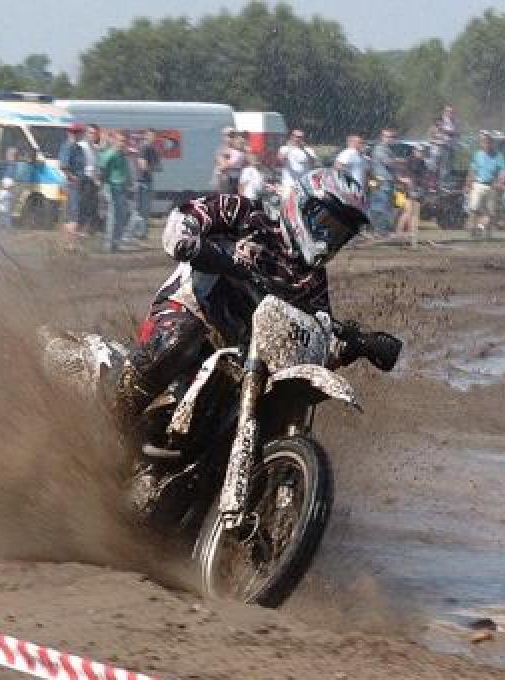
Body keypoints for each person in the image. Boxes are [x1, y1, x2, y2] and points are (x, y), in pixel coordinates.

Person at [114, 168, 397, 458]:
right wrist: (201, 248)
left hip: (243, 354)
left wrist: (359, 346)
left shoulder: (311, 281)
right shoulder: (245, 214)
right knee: (182, 337)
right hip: (190, 311)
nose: (329, 240)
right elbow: (183, 220)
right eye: (326, 225)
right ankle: (115, 416)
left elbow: (315, 340)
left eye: (340, 235)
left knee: (275, 404)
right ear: (302, 206)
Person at [466, 132, 505, 237]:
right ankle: (472, 230)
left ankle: (483, 230)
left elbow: (503, 172)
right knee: (474, 209)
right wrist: (468, 184)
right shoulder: (478, 154)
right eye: (484, 143)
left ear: (492, 143)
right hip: (478, 184)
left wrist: (500, 183)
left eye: (489, 143)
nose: (486, 145)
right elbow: (473, 170)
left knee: (491, 212)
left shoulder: (499, 156)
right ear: (482, 144)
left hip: (491, 186)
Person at [98, 130, 132, 253]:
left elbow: (124, 170)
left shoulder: (121, 155)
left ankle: (116, 243)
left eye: (124, 141)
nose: (122, 143)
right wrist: (103, 187)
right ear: (114, 141)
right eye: (120, 140)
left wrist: (129, 182)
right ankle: (108, 245)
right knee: (113, 216)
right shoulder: (110, 154)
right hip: (112, 188)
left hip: (121, 189)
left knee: (122, 216)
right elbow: (101, 170)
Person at [58, 123, 87, 245]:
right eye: (73, 132)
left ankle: (67, 243)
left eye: (77, 132)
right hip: (72, 185)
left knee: (73, 215)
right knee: (73, 215)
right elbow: (63, 166)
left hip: (78, 184)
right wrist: (73, 177)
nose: (74, 134)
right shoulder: (68, 147)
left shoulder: (79, 148)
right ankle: (70, 244)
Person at [369, 128, 400, 234]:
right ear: (382, 137)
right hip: (380, 181)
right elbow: (389, 163)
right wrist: (400, 162)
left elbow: (392, 164)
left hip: (385, 181)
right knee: (380, 205)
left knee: (385, 205)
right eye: (388, 136)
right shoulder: (379, 149)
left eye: (393, 137)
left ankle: (383, 229)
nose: (391, 139)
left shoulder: (388, 149)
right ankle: (380, 230)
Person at [132, 129, 161, 240]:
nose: (152, 138)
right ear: (145, 136)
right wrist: (152, 167)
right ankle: (134, 233)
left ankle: (142, 234)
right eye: (150, 136)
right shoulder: (144, 148)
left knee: (145, 210)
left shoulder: (152, 149)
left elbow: (159, 167)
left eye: (153, 136)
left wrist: (152, 167)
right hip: (141, 182)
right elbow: (142, 166)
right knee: (139, 210)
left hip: (148, 181)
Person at [395, 145, 427, 237]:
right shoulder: (409, 161)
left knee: (415, 212)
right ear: (414, 151)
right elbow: (401, 175)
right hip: (407, 189)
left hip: (418, 188)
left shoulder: (422, 162)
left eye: (422, 151)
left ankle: (412, 233)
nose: (420, 153)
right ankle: (399, 232)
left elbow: (423, 176)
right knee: (408, 212)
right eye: (419, 151)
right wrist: (405, 180)